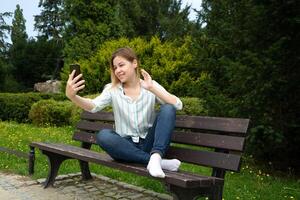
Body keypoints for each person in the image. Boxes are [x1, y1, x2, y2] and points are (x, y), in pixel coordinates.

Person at [66, 47, 183, 178]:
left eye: (121, 65)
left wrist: (152, 89)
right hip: (125, 146)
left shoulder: (150, 85)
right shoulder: (112, 89)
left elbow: (177, 105)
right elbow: (93, 106)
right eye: (115, 67)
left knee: (168, 108)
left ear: (134, 63)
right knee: (104, 136)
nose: (118, 70)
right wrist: (73, 97)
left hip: (149, 143)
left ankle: (155, 157)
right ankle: (158, 163)